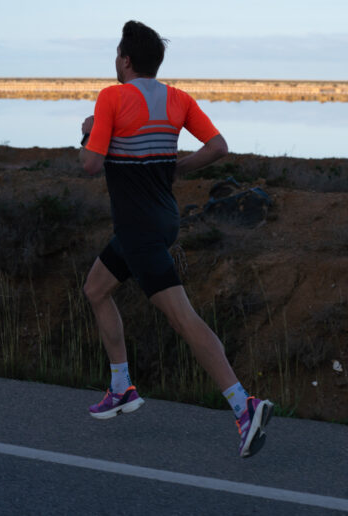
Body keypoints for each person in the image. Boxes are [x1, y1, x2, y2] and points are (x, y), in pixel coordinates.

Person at [79, 20, 273, 458]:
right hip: (160, 221)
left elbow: (90, 164)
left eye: (117, 56)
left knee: (183, 318)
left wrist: (89, 130)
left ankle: (244, 405)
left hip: (140, 230)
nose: (116, 62)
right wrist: (178, 167)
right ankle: (121, 387)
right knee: (95, 288)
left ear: (126, 61)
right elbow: (218, 147)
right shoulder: (178, 99)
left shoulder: (111, 98)